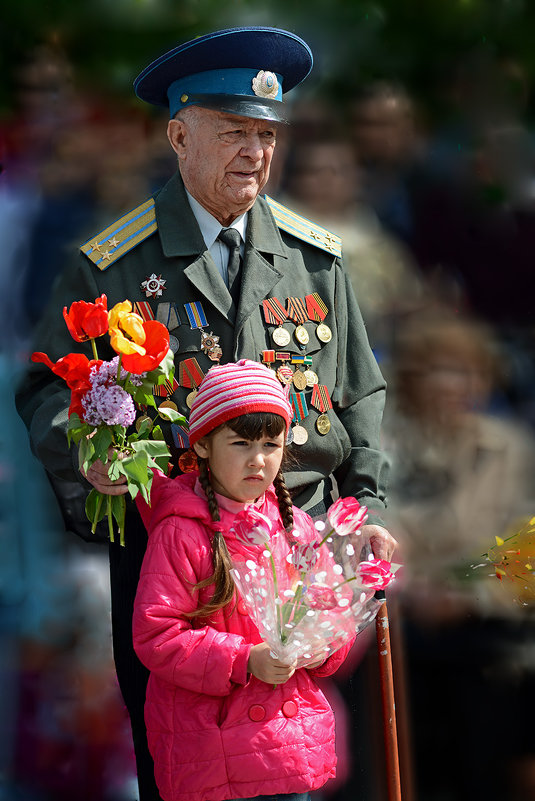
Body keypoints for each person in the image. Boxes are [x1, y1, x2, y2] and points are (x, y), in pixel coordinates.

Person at [16, 26, 396, 800]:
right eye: (232, 133)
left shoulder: (314, 260)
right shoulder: (112, 263)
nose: (254, 153)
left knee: (294, 759)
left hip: (297, 551)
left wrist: (372, 506)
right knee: (185, 768)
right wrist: (88, 461)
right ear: (179, 135)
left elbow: (359, 394)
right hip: (174, 559)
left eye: (265, 135)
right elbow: (47, 393)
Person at [133, 358, 361, 801]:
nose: (258, 460)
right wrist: (244, 659)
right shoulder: (180, 531)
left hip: (286, 746)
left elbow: (334, 615)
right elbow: (157, 634)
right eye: (240, 443)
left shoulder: (296, 527)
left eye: (271, 445)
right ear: (201, 446)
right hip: (212, 751)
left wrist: (320, 646)